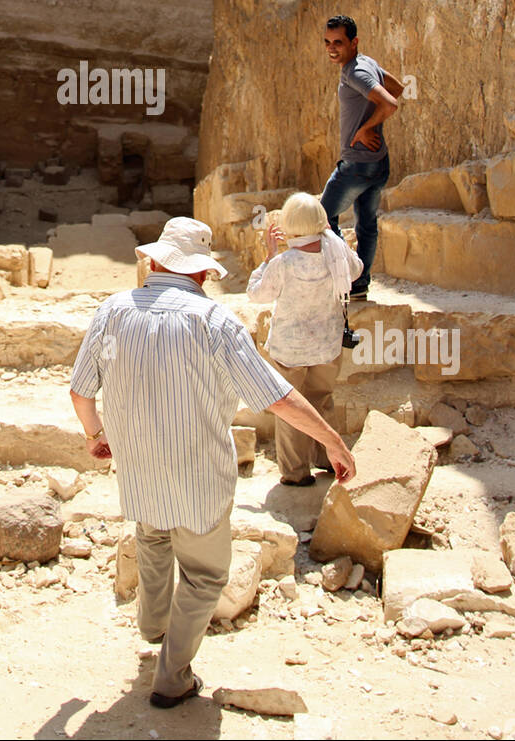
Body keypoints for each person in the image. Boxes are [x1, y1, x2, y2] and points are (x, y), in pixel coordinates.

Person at [69, 216, 356, 709]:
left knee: (153, 536)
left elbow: (79, 391)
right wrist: (332, 441)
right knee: (205, 576)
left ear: (153, 262)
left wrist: (97, 435)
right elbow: (278, 399)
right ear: (202, 274)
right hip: (198, 472)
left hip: (138, 467)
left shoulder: (113, 311)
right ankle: (171, 678)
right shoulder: (215, 322)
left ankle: (154, 626)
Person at [247, 192, 362, 486]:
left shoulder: (284, 263)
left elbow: (256, 294)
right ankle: (327, 458)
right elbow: (357, 269)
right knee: (321, 400)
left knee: (291, 410)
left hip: (290, 350)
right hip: (327, 346)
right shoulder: (335, 255)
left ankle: (296, 473)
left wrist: (268, 258)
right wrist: (339, 242)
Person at [320, 14, 403, 299]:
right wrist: (371, 123)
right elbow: (398, 87)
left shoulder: (356, 72)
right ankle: (359, 285)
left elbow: (390, 102)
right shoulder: (367, 63)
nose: (332, 48)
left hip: (357, 164)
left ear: (353, 42)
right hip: (378, 161)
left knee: (323, 216)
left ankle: (349, 276)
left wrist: (365, 128)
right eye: (328, 42)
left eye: (339, 43)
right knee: (366, 223)